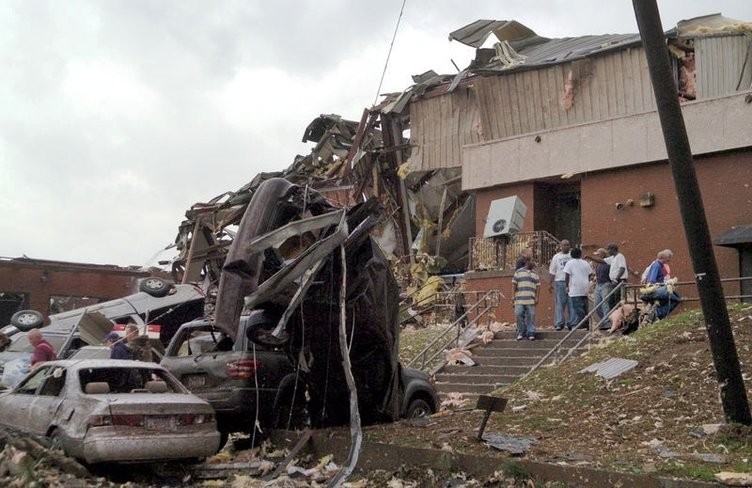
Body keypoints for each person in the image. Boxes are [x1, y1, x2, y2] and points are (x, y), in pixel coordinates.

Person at [643, 249, 681, 319]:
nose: (669, 260)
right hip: (654, 289)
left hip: (654, 289)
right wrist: (664, 284)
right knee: (676, 299)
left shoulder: (658, 265)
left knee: (676, 296)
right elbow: (652, 280)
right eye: (669, 258)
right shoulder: (657, 265)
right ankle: (658, 312)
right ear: (665, 257)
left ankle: (657, 313)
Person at [563, 248, 594, 330]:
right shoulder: (585, 263)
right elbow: (590, 274)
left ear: (571, 255)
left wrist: (567, 286)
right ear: (580, 254)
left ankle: (582, 324)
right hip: (584, 287)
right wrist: (587, 280)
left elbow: (566, 276)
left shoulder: (569, 263)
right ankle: (586, 324)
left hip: (575, 287)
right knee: (584, 306)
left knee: (577, 307)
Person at [512, 257, 540, 340]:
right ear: (527, 262)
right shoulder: (518, 272)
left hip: (531, 299)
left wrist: (537, 297)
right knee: (518, 314)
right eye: (532, 261)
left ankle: (531, 333)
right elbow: (514, 285)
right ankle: (521, 332)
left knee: (531, 316)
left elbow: (538, 286)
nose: (534, 263)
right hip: (519, 299)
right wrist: (513, 296)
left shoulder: (535, 274)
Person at [548, 239, 572, 330]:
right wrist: (550, 283)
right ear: (560, 246)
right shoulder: (556, 257)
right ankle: (559, 323)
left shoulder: (572, 256)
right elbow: (552, 271)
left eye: (568, 245)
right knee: (559, 304)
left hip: (571, 282)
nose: (566, 246)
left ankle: (571, 322)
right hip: (560, 281)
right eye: (564, 245)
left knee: (571, 304)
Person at [605, 243, 628, 309]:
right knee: (611, 300)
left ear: (613, 249)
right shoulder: (613, 258)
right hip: (614, 282)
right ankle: (615, 315)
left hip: (620, 281)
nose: (607, 252)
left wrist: (616, 279)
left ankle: (619, 316)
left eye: (608, 250)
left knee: (618, 300)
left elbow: (622, 268)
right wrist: (590, 258)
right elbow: (603, 261)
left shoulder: (620, 256)